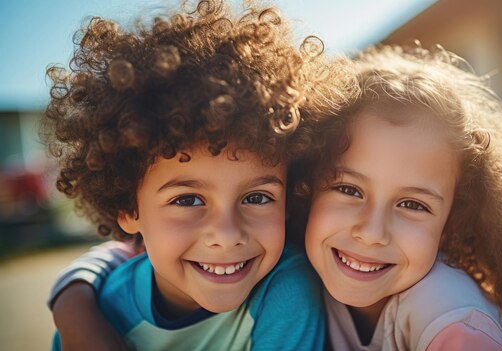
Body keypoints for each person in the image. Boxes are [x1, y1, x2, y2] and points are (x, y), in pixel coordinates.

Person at [41, 0, 355, 350]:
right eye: (187, 200)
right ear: (130, 208)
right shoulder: (98, 319)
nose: (226, 235)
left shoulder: (286, 290)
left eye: (257, 198)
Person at [294, 44, 502, 350]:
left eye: (412, 205)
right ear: (305, 186)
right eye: (348, 189)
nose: (372, 233)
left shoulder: (448, 312)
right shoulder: (292, 279)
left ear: (453, 223)